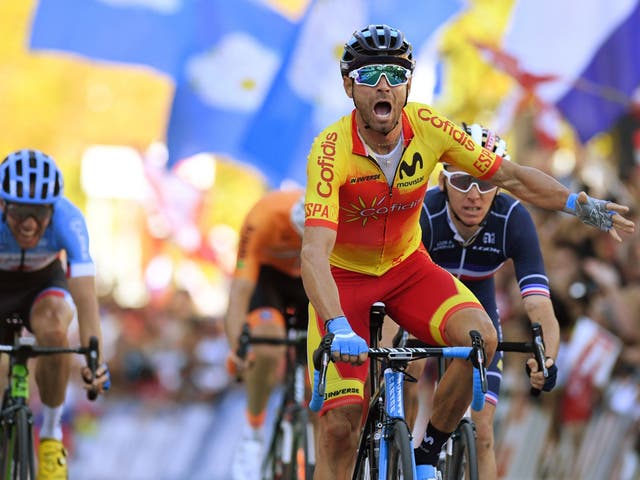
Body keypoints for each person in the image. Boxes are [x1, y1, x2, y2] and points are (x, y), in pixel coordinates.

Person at [299, 24, 635, 480]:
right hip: (345, 282)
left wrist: (580, 205)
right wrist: (337, 326)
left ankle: (425, 456)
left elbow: (511, 177)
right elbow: (314, 253)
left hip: (407, 269)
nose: (383, 84)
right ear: (348, 86)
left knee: (482, 339)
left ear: (408, 85)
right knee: (340, 427)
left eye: (395, 75)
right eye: (370, 73)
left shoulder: (429, 127)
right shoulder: (330, 150)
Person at [414, 122, 561, 479]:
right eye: (463, 181)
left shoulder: (513, 219)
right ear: (444, 181)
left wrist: (548, 359)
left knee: (483, 432)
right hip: (423, 303)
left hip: (479, 308)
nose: (474, 194)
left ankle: (428, 454)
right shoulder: (425, 212)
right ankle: (399, 445)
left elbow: (540, 305)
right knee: (406, 374)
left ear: (501, 187)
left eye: (486, 183)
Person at [0, 149, 110, 480]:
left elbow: (87, 300)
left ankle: (50, 437)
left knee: (56, 333)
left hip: (43, 285)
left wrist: (96, 361)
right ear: (3, 204)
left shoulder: (70, 220)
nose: (30, 224)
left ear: (53, 209)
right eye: (20, 212)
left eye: (39, 213)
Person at [224, 188, 309, 480]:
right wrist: (238, 345)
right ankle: (253, 432)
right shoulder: (263, 218)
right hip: (268, 279)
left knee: (322, 367)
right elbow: (239, 293)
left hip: (311, 276)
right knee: (268, 343)